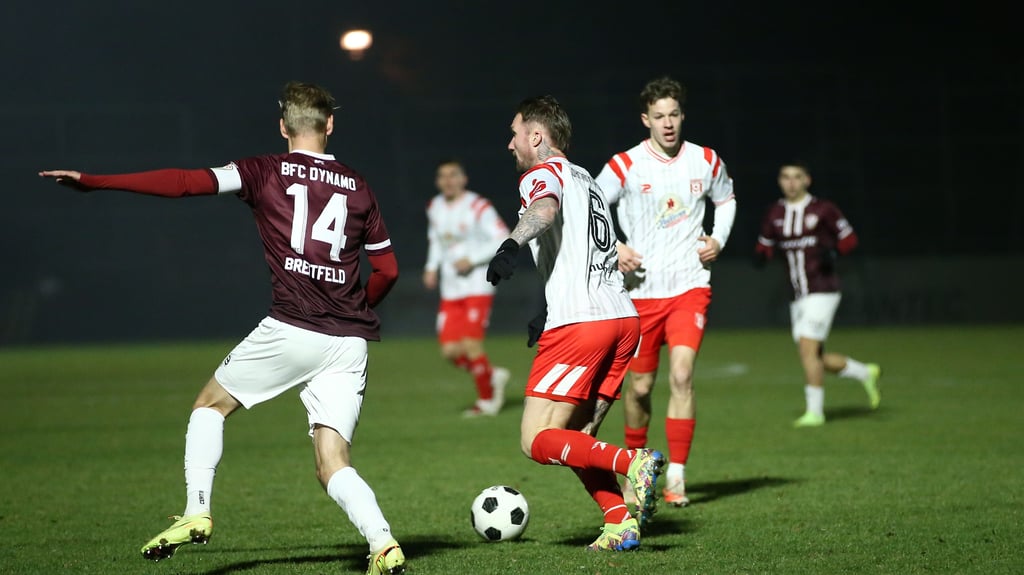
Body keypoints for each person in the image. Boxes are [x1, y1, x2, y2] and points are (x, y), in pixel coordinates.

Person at [39, 82, 407, 575]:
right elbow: (388, 271)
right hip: (348, 342)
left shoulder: (263, 170)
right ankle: (383, 544)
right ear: (330, 125)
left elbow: (186, 182)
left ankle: (196, 511)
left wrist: (97, 181)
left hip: (293, 328)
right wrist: (352, 310)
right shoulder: (359, 186)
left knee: (209, 405)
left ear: (283, 127)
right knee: (332, 460)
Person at [486, 95, 665, 552]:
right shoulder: (587, 179)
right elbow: (585, 251)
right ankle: (618, 522)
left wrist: (510, 245)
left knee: (536, 440)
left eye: (515, 133)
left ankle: (632, 461)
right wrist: (547, 308)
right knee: (579, 437)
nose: (510, 144)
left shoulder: (541, 174)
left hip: (582, 325)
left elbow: (542, 211)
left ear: (537, 136)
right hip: (622, 319)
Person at [594, 75, 737, 509]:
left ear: (682, 115)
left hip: (690, 287)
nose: (668, 123)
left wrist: (718, 239)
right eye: (659, 116)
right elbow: (594, 207)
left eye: (674, 114)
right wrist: (615, 248)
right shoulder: (625, 164)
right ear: (646, 120)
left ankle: (676, 474)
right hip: (639, 294)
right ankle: (640, 468)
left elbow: (727, 200)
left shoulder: (706, 160)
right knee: (638, 389)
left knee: (681, 375)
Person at [754, 160, 881, 427]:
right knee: (814, 356)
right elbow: (764, 244)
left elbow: (849, 239)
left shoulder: (823, 209)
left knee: (806, 346)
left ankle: (815, 412)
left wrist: (834, 251)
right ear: (779, 181)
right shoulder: (775, 213)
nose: (791, 182)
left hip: (823, 289)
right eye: (785, 177)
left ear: (807, 180)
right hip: (796, 295)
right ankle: (864, 372)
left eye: (796, 177)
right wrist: (760, 256)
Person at [423, 158, 511, 417]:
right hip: (451, 289)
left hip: (477, 286)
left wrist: (472, 260)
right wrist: (431, 267)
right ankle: (492, 375)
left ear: (463, 179)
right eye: (442, 176)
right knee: (450, 351)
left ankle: (486, 401)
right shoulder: (435, 206)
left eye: (453, 175)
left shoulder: (478, 206)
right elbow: (435, 240)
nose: (447, 181)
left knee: (471, 345)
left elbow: (503, 236)